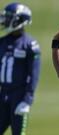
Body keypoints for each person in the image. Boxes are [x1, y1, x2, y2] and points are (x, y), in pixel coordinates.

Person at [0, 3, 41, 135]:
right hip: (3, 94)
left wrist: (27, 100)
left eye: (8, 17)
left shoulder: (29, 44)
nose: (4, 20)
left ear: (18, 20)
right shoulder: (2, 42)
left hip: (19, 96)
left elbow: (34, 74)